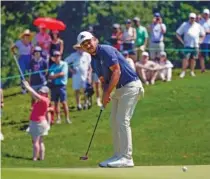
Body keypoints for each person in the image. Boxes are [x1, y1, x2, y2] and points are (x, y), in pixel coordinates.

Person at [77, 31, 144, 168]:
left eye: (89, 41)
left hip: (131, 86)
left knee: (122, 120)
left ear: (95, 40)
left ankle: (127, 157)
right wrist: (104, 95)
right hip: (119, 89)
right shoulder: (94, 61)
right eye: (84, 44)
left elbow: (117, 71)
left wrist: (107, 93)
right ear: (82, 48)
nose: (88, 45)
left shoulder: (106, 50)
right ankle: (118, 155)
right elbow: (104, 80)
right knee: (114, 121)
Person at [22, 81, 50, 161]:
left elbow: (36, 95)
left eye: (42, 92)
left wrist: (28, 87)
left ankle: (34, 158)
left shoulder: (44, 99)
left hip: (38, 122)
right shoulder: (42, 100)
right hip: (40, 122)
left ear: (46, 94)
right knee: (40, 141)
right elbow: (34, 95)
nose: (40, 93)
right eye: (40, 91)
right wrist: (27, 87)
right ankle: (41, 158)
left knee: (35, 141)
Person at [176, 13, 205, 78]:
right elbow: (177, 33)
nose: (192, 19)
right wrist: (182, 42)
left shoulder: (198, 25)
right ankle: (183, 72)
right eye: (191, 18)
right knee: (185, 58)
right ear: (189, 18)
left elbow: (203, 34)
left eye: (193, 18)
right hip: (187, 45)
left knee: (193, 59)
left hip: (195, 45)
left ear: (195, 19)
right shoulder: (184, 25)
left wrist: (200, 41)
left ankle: (192, 71)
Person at [65, 44, 92, 110]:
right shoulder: (73, 55)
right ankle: (78, 104)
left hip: (85, 75)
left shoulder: (87, 55)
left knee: (85, 90)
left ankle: (85, 103)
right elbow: (65, 62)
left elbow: (90, 67)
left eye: (81, 48)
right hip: (76, 75)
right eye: (79, 48)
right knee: (77, 90)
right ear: (77, 49)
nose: (80, 49)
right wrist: (71, 70)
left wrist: (89, 76)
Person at [48, 51, 71, 124]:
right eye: (55, 56)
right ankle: (58, 118)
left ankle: (67, 118)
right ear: (53, 58)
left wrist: (54, 76)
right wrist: (53, 76)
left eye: (58, 56)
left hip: (61, 86)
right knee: (55, 103)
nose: (57, 58)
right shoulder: (52, 66)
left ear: (60, 57)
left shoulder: (64, 64)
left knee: (64, 102)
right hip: (54, 86)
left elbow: (62, 74)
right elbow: (50, 76)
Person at [11, 29, 33, 94]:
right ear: (23, 36)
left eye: (28, 35)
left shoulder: (30, 42)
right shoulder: (19, 42)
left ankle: (29, 86)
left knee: (30, 73)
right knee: (22, 73)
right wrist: (14, 53)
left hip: (29, 57)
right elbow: (12, 47)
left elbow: (32, 49)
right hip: (22, 58)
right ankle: (23, 88)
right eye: (26, 35)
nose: (27, 36)